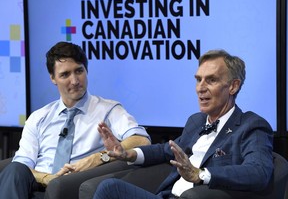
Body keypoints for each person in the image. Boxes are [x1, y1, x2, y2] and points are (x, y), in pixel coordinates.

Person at [93, 49, 274, 199]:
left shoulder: (251, 126)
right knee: (106, 187)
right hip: (167, 195)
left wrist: (200, 174)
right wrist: (128, 154)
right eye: (198, 79)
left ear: (233, 86)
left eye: (211, 80)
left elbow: (259, 172)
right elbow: (166, 150)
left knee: (111, 189)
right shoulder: (196, 121)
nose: (200, 88)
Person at [0, 41, 151, 199]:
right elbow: (22, 165)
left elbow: (142, 141)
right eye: (65, 75)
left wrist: (99, 157)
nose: (74, 81)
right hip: (36, 187)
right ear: (53, 78)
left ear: (86, 70)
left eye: (79, 71)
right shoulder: (39, 117)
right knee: (14, 170)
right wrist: (47, 179)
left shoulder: (108, 110)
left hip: (74, 187)